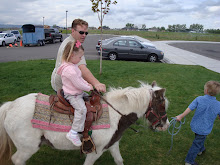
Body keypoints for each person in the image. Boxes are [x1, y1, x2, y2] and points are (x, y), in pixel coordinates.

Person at [51, 18, 106, 93]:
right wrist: (96, 83)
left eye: (86, 33)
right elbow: (81, 68)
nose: (84, 35)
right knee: (79, 103)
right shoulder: (71, 46)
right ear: (73, 31)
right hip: (63, 86)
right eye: (81, 32)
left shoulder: (72, 41)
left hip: (67, 81)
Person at [57, 40, 93, 147]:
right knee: (81, 109)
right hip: (73, 94)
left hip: (78, 92)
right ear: (72, 55)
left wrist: (87, 83)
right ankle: (73, 132)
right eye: (79, 57)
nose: (81, 59)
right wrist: (88, 87)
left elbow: (80, 80)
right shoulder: (69, 70)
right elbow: (78, 84)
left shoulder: (73, 65)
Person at [176, 81, 220, 165]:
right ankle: (189, 161)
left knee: (198, 139)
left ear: (206, 91)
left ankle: (200, 150)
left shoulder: (199, 99)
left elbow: (189, 108)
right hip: (204, 128)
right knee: (197, 143)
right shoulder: (218, 105)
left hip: (195, 125)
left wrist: (181, 116)